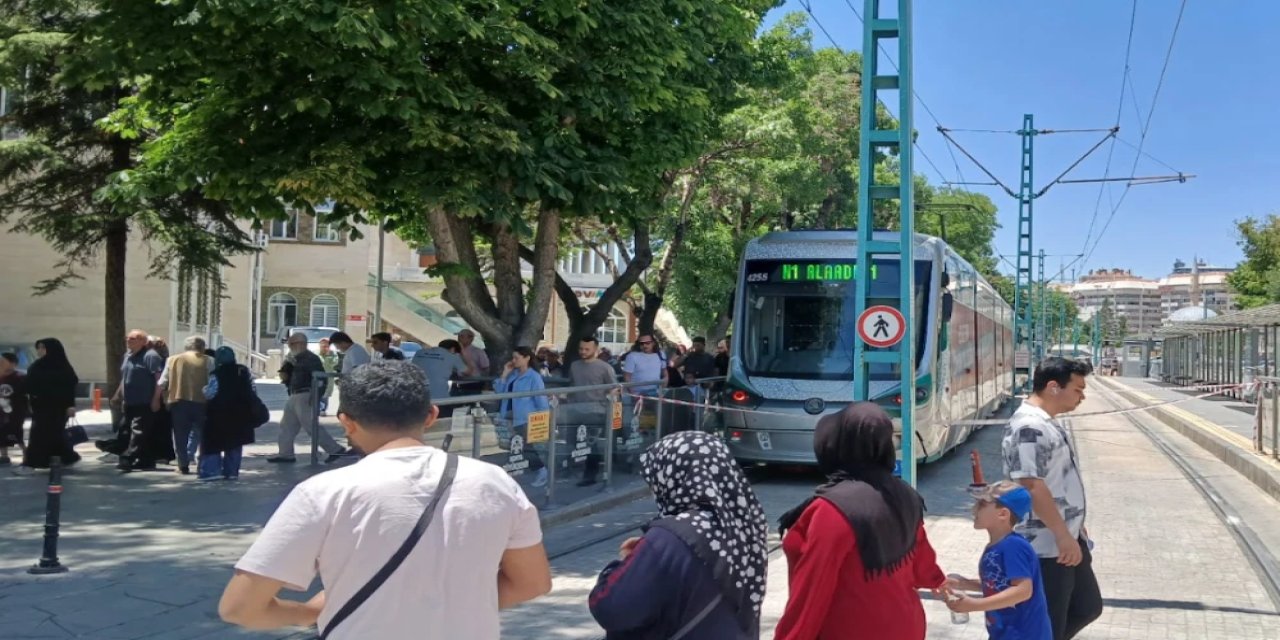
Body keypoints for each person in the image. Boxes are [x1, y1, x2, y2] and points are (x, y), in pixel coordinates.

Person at [218, 360, 551, 638]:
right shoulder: (495, 483)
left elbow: (240, 607)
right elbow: (532, 582)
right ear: (431, 416)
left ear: (346, 423)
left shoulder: (324, 493)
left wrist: (308, 612)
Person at [774, 402, 946, 640]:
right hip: (906, 625)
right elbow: (921, 566)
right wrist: (939, 580)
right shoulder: (904, 493)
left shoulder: (832, 510)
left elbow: (811, 594)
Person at [589, 431, 768, 638]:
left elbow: (612, 609)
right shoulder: (743, 525)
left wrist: (621, 565)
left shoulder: (669, 538)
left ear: (674, 477)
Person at [1001, 357, 1101, 640]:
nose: (1082, 397)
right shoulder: (1029, 427)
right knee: (1050, 622)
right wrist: (1062, 535)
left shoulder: (1046, 423)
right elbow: (1031, 485)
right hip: (1045, 545)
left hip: (1064, 537)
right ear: (1054, 387)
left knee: (1087, 606)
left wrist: (1074, 526)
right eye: (1078, 389)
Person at [945, 481, 1052, 639]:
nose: (973, 509)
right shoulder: (998, 546)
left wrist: (975, 604)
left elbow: (1023, 591)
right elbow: (999, 585)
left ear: (1003, 514)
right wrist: (964, 583)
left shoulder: (1013, 546)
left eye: (981, 504)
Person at [269, 333, 348, 463]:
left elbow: (321, 378)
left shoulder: (311, 359)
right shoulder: (295, 358)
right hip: (295, 394)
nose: (290, 346)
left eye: (292, 344)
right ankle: (285, 453)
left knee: (311, 426)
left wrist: (317, 396)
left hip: (306, 395)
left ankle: (334, 449)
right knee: (287, 426)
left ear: (300, 344)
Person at [18, 338, 81, 473]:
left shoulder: (62, 367)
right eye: (38, 348)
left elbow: (70, 386)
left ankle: (31, 464)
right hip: (41, 406)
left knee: (41, 435)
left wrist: (71, 405)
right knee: (51, 436)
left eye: (43, 348)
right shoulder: (37, 365)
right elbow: (29, 384)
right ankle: (68, 457)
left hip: (59, 408)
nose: (39, 351)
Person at [105, 330, 165, 469]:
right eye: (128, 338)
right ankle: (146, 460)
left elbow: (159, 380)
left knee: (138, 431)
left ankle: (127, 458)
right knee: (126, 430)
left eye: (133, 338)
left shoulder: (151, 356)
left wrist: (156, 399)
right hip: (129, 401)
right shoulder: (128, 356)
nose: (129, 340)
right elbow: (125, 378)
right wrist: (117, 395)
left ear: (143, 341)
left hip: (145, 401)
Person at [153, 335, 212, 475]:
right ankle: (202, 464)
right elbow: (212, 382)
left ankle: (183, 465)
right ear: (202, 347)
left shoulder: (172, 360)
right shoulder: (208, 360)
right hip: (202, 402)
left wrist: (156, 399)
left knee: (180, 435)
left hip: (178, 401)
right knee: (203, 434)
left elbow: (162, 383)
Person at [563, 337, 617, 486]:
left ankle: (590, 474)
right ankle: (574, 468)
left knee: (590, 443)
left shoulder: (605, 367)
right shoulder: (574, 366)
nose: (583, 352)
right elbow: (572, 385)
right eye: (581, 349)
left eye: (587, 349)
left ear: (595, 349)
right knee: (573, 441)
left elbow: (615, 387)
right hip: (575, 409)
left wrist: (609, 398)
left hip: (596, 411)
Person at [493, 346, 549, 488]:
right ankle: (525, 471)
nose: (514, 361)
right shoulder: (513, 375)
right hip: (509, 415)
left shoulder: (534, 377)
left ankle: (541, 470)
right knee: (514, 445)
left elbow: (541, 400)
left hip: (524, 417)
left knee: (526, 446)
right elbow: (500, 392)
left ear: (527, 358)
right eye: (513, 358)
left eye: (516, 358)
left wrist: (542, 418)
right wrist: (505, 374)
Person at [200, 347, 259, 481]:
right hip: (240, 414)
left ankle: (211, 471)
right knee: (235, 443)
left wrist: (203, 390)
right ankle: (232, 472)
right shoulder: (243, 371)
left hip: (218, 414)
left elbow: (210, 393)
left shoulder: (217, 373)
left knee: (213, 443)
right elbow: (253, 390)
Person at [409, 339, 472, 419]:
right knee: (442, 427)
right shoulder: (452, 356)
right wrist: (463, 354)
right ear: (453, 349)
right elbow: (469, 372)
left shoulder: (420, 352)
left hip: (416, 398)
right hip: (439, 400)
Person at [0, 352, 29, 465]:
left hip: (16, 410)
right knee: (1, 432)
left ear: (13, 364)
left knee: (16, 432)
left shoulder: (20, 377)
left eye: (3, 361)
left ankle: (26, 455)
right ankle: (4, 456)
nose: (1, 363)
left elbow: (23, 392)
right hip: (1, 410)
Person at [317, 338, 339, 415]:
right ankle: (318, 409)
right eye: (322, 344)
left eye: (326, 344)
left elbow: (334, 363)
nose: (324, 346)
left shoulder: (333, 354)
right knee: (317, 392)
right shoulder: (316, 354)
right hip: (318, 376)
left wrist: (327, 355)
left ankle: (322, 409)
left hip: (328, 377)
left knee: (326, 393)